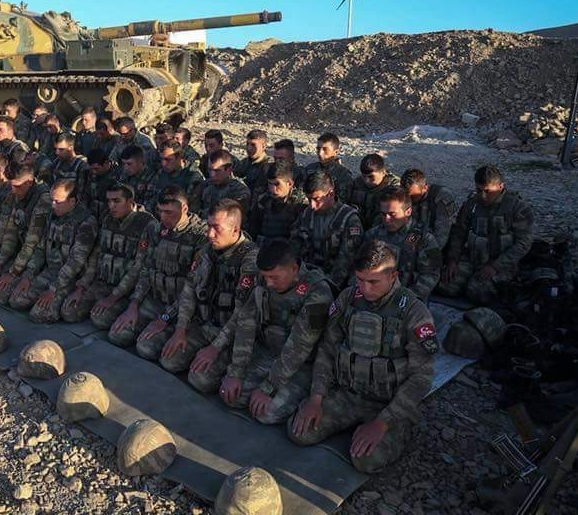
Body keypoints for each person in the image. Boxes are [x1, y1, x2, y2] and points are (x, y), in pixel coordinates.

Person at [288, 239, 436, 474]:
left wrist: (382, 422)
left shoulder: (414, 312)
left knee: (366, 460)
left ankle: (398, 430)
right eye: (360, 280)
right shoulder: (348, 298)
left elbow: (422, 377)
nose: (366, 289)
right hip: (348, 395)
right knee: (299, 432)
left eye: (373, 282)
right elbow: (327, 349)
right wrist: (316, 398)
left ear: (393, 276)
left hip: (388, 404)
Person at [188, 238, 332, 424]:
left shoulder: (317, 292)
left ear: (294, 269)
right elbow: (246, 323)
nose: (268, 283)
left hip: (299, 365)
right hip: (266, 351)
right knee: (210, 383)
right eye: (265, 277)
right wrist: (235, 372)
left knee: (266, 413)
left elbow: (299, 347)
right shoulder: (262, 279)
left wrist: (269, 388)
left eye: (274, 277)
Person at [141, 200, 259, 373]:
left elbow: (243, 314)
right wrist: (177, 327)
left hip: (229, 333)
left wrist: (215, 348)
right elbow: (189, 291)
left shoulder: (250, 259)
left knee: (200, 378)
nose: (210, 234)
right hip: (202, 324)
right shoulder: (206, 252)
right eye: (208, 226)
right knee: (151, 349)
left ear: (235, 230)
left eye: (217, 228)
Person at [118, 187, 208, 349]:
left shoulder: (201, 236)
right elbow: (145, 269)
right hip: (154, 299)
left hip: (180, 309)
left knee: (146, 348)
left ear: (184, 208)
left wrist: (165, 318)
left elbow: (193, 286)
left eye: (168, 212)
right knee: (117, 334)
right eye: (160, 211)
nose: (163, 217)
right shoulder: (154, 229)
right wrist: (134, 304)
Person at [436, 165, 534, 306]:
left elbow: (523, 243)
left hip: (500, 263)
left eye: (487, 191)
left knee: (477, 291)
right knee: (445, 285)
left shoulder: (517, 207)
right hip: (473, 259)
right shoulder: (471, 204)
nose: (482, 196)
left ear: (500, 186)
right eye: (478, 190)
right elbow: (459, 234)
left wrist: (495, 266)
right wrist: (453, 260)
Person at [62, 183, 154, 325]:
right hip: (102, 283)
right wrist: (82, 287)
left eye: (116, 201)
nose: (111, 206)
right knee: (68, 312)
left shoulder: (147, 224)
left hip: (126, 291)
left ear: (130, 202)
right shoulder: (108, 219)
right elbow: (96, 256)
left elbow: (139, 267)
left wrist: (113, 297)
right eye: (109, 201)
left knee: (100, 319)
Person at [9, 179, 98, 323]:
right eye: (52, 200)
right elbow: (40, 248)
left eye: (57, 201)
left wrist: (53, 289)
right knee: (15, 299)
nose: (53, 205)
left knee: (39, 314)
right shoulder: (53, 216)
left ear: (72, 201)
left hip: (70, 279)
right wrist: (28, 275)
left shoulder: (86, 222)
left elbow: (76, 262)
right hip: (51, 272)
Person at [0, 163, 52, 303]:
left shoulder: (43, 199)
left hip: (37, 257)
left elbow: (33, 240)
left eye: (17, 186)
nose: (13, 190)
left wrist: (14, 271)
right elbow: (7, 230)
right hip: (21, 252)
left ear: (29, 183)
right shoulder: (15, 194)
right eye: (11, 185)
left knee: (6, 296)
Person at [364, 188, 442, 301]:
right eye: (383, 214)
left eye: (392, 214)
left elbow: (431, 274)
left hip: (406, 299)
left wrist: (408, 298)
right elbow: (359, 267)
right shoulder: (372, 235)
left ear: (408, 212)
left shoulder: (425, 239)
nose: (387, 219)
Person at [292, 172, 364, 289]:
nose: (312, 205)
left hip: (333, 281)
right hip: (306, 274)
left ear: (331, 194)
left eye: (316, 199)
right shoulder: (307, 214)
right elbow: (295, 243)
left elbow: (346, 261)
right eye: (309, 199)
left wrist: (329, 286)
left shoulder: (349, 219)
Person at [247, 160, 307, 246]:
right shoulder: (263, 200)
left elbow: (298, 240)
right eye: (270, 184)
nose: (272, 189)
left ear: (290, 183)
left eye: (276, 184)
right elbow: (252, 231)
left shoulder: (300, 204)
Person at [400, 168, 457, 249]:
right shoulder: (403, 196)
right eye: (406, 195)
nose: (409, 200)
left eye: (413, 197)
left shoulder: (441, 197)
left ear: (425, 188)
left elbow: (441, 236)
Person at [345, 154, 401, 229]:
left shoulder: (394, 186)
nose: (366, 181)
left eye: (371, 176)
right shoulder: (357, 184)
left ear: (383, 172)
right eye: (364, 176)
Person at [150, 141, 204, 213]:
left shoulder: (192, 176)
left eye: (168, 160)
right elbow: (151, 199)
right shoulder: (161, 172)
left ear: (179, 158)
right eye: (161, 159)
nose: (163, 163)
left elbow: (192, 209)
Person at [200, 150, 252, 217]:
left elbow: (228, 217)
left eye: (217, 171)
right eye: (210, 170)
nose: (212, 175)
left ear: (229, 170)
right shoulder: (205, 185)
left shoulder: (240, 191)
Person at [305, 132, 353, 203]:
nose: (320, 153)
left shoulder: (343, 174)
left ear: (335, 152)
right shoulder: (309, 169)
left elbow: (342, 200)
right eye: (318, 149)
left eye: (325, 149)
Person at [83, 148, 119, 223]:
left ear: (106, 163)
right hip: (91, 215)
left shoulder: (119, 175)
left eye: (96, 169)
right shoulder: (89, 174)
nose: (94, 172)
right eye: (92, 169)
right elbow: (85, 195)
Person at [235, 130, 272, 200]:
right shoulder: (244, 162)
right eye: (247, 144)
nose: (249, 148)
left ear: (263, 146)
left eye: (253, 145)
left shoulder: (269, 166)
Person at [118, 145, 158, 209]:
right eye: (123, 164)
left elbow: (148, 206)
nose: (126, 168)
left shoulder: (152, 178)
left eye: (129, 164)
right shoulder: (124, 175)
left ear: (141, 162)